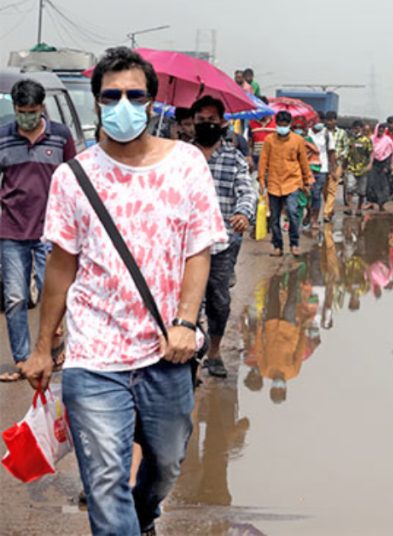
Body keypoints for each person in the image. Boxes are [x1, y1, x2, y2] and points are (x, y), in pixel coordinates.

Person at [19, 46, 227, 535]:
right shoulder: (73, 178)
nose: (124, 104)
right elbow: (60, 265)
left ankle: (144, 515)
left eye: (135, 94)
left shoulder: (187, 165)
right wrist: (44, 346)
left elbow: (199, 250)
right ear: (96, 103)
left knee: (167, 463)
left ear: (152, 101)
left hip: (166, 352)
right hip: (94, 355)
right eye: (112, 96)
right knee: (105, 478)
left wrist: (185, 322)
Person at [0, 79, 76, 382]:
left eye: (31, 111)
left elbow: (74, 178)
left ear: (42, 108)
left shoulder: (60, 137)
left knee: (53, 293)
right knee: (15, 298)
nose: (27, 117)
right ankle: (22, 360)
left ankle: (55, 347)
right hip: (12, 229)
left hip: (51, 231)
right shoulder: (4, 138)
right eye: (21, 111)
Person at [192, 95, 257, 379]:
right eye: (201, 120)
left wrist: (244, 213)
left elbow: (246, 190)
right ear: (192, 123)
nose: (207, 125)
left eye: (212, 120)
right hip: (185, 246)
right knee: (188, 303)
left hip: (220, 244)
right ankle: (191, 356)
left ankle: (214, 351)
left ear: (222, 123)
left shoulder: (233, 158)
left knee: (219, 302)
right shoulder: (180, 156)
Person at [259, 110, 313, 257]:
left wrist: (307, 180)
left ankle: (294, 243)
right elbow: (263, 160)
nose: (282, 128)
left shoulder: (298, 140)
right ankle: (277, 246)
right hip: (274, 182)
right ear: (276, 124)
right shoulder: (269, 140)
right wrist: (261, 180)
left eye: (284, 125)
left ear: (289, 125)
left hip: (292, 182)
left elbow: (303, 162)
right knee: (274, 217)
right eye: (279, 125)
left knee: (292, 212)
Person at [305, 115, 331, 231]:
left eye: (321, 121)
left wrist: (333, 169)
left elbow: (331, 152)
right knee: (305, 195)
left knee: (316, 195)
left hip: (321, 169)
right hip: (306, 168)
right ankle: (309, 212)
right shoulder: (307, 133)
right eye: (316, 121)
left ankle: (314, 219)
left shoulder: (327, 134)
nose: (318, 123)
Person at [367, 123, 393, 211]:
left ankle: (382, 203)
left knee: (384, 185)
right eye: (379, 129)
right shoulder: (372, 139)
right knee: (372, 184)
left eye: (383, 129)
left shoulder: (388, 140)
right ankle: (371, 202)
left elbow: (392, 153)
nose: (381, 130)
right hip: (373, 163)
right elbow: (369, 151)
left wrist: (387, 166)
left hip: (384, 165)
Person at [323, 111, 347, 222]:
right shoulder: (322, 132)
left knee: (332, 188)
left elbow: (346, 148)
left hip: (337, 164)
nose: (329, 122)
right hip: (324, 163)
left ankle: (326, 213)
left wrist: (338, 156)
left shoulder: (342, 133)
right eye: (327, 120)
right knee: (325, 189)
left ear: (335, 121)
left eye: (331, 120)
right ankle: (329, 208)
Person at [346, 121, 373, 214]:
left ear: (361, 129)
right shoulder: (350, 140)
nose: (356, 130)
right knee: (350, 188)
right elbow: (347, 153)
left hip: (363, 169)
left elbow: (371, 153)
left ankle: (359, 208)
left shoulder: (366, 140)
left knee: (362, 191)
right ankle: (349, 208)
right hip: (351, 167)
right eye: (354, 128)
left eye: (358, 128)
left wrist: (370, 164)